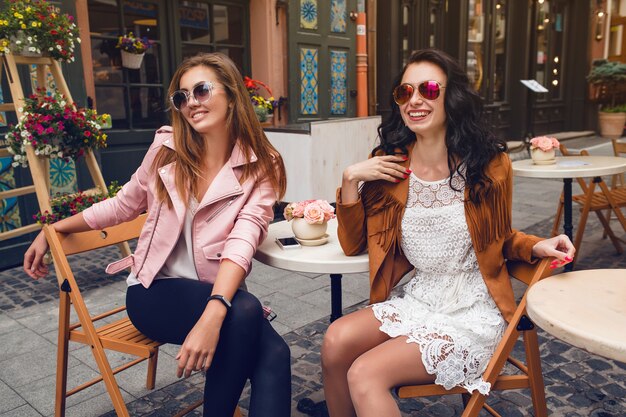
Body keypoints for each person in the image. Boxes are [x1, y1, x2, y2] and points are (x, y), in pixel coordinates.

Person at [23, 53, 291, 417]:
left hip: (215, 294)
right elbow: (122, 206)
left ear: (231, 94)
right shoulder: (166, 150)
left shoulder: (263, 163)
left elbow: (244, 238)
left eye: (201, 90)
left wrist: (211, 316)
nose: (191, 103)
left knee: (275, 352)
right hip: (152, 292)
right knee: (242, 309)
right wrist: (53, 228)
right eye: (181, 97)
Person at [321, 48, 575, 417]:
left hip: (471, 311)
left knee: (365, 373)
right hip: (420, 298)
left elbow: (498, 238)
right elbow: (352, 244)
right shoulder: (391, 163)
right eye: (404, 92)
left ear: (451, 98)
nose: (415, 101)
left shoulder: (489, 165)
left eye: (428, 89)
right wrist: (349, 179)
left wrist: (538, 245)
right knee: (334, 340)